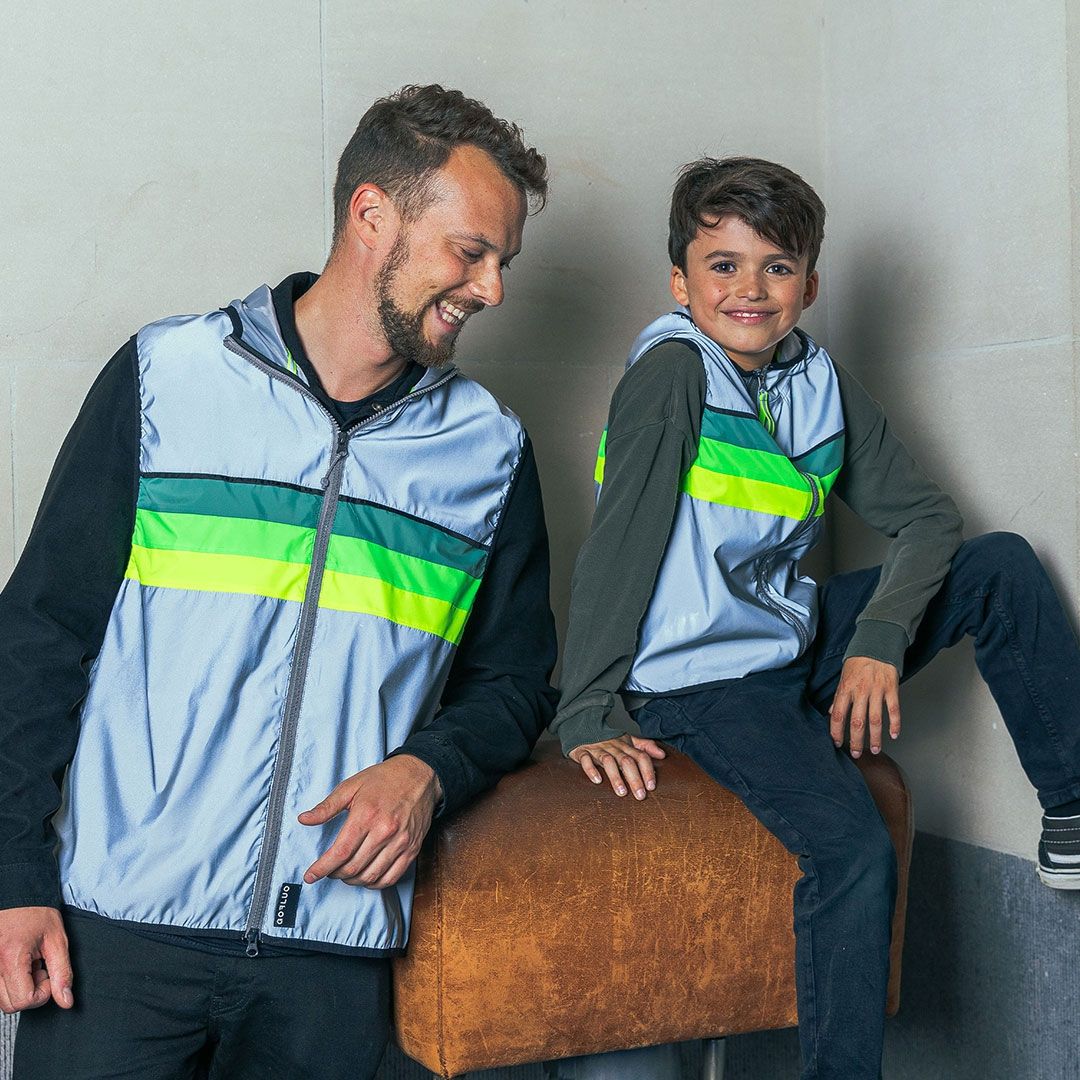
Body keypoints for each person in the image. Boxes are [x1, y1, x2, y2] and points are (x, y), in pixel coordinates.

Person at [0, 84, 557, 1080]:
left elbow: (515, 683)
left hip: (330, 960)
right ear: (372, 215)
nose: (491, 290)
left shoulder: (489, 453)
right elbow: (41, 635)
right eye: (471, 251)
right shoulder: (169, 379)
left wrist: (428, 769)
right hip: (117, 937)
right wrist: (11, 874)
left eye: (502, 262)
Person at [550, 157, 1080, 1080]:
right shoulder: (672, 375)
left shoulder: (816, 376)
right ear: (680, 282)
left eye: (777, 267)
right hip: (698, 680)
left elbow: (930, 519)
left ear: (810, 285)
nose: (750, 290)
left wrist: (877, 639)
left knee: (998, 565)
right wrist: (586, 707)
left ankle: (1072, 815)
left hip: (788, 642)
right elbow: (618, 546)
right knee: (854, 849)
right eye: (723, 265)